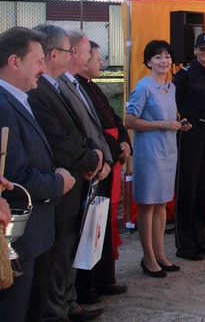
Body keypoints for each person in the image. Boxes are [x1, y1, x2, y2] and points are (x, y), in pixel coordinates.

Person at [28, 25, 105, 322]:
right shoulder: (42, 89)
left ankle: (65, 304)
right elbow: (59, 139)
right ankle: (55, 311)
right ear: (56, 54)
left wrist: (94, 158)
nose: (77, 55)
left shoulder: (57, 85)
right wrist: (90, 159)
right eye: (70, 50)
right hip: (61, 182)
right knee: (57, 252)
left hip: (77, 176)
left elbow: (81, 131)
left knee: (67, 248)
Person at [0, 26, 74, 322]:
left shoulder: (18, 99)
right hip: (20, 237)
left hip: (35, 234)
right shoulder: (4, 107)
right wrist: (58, 181)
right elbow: (15, 177)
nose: (44, 68)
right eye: (38, 60)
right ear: (14, 62)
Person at [124, 40, 188, 278]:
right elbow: (130, 121)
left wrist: (180, 124)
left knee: (161, 203)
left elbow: (169, 117)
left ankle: (160, 254)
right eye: (158, 57)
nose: (164, 61)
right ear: (148, 61)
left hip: (168, 151)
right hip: (149, 153)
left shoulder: (170, 87)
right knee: (148, 204)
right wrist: (162, 124)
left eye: (167, 56)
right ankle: (148, 257)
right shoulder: (143, 87)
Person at [75, 40, 131, 301]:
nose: (102, 63)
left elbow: (113, 118)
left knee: (104, 222)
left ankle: (105, 278)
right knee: (92, 225)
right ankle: (89, 285)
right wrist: (112, 148)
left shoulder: (92, 87)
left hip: (110, 158)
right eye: (96, 58)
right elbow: (92, 130)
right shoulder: (76, 87)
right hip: (97, 164)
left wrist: (124, 140)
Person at [173, 32, 205, 261]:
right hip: (190, 132)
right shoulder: (184, 74)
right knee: (188, 188)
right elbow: (172, 101)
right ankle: (184, 244)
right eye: (202, 49)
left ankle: (199, 238)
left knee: (203, 187)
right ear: (195, 51)